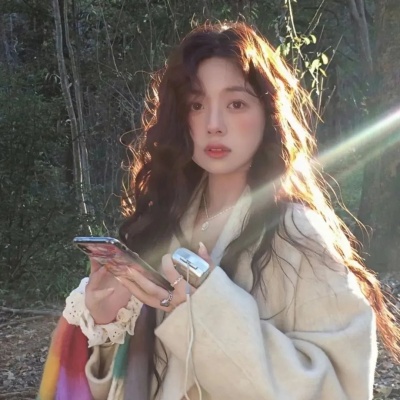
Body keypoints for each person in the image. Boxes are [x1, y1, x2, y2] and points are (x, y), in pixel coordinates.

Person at [38, 22, 400, 400]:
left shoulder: (297, 233)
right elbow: (127, 384)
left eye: (236, 104)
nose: (214, 125)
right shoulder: (162, 224)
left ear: (268, 113)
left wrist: (208, 308)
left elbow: (340, 387)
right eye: (196, 105)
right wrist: (105, 321)